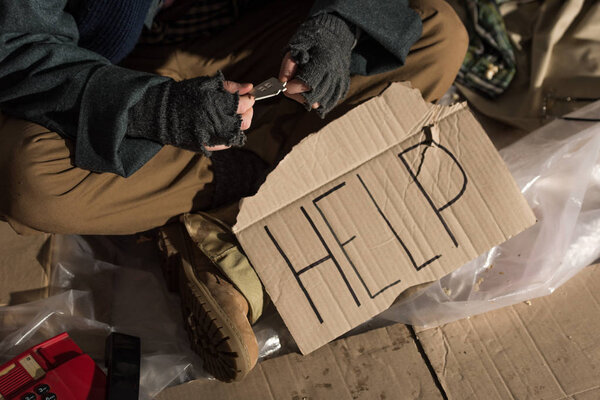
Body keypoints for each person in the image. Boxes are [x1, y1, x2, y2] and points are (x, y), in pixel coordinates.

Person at [0, 0, 467, 382]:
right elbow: (16, 48)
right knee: (28, 181)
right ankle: (250, 192)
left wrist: (339, 23)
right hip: (112, 72)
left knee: (438, 33)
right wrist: (152, 110)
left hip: (261, 39)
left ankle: (214, 229)